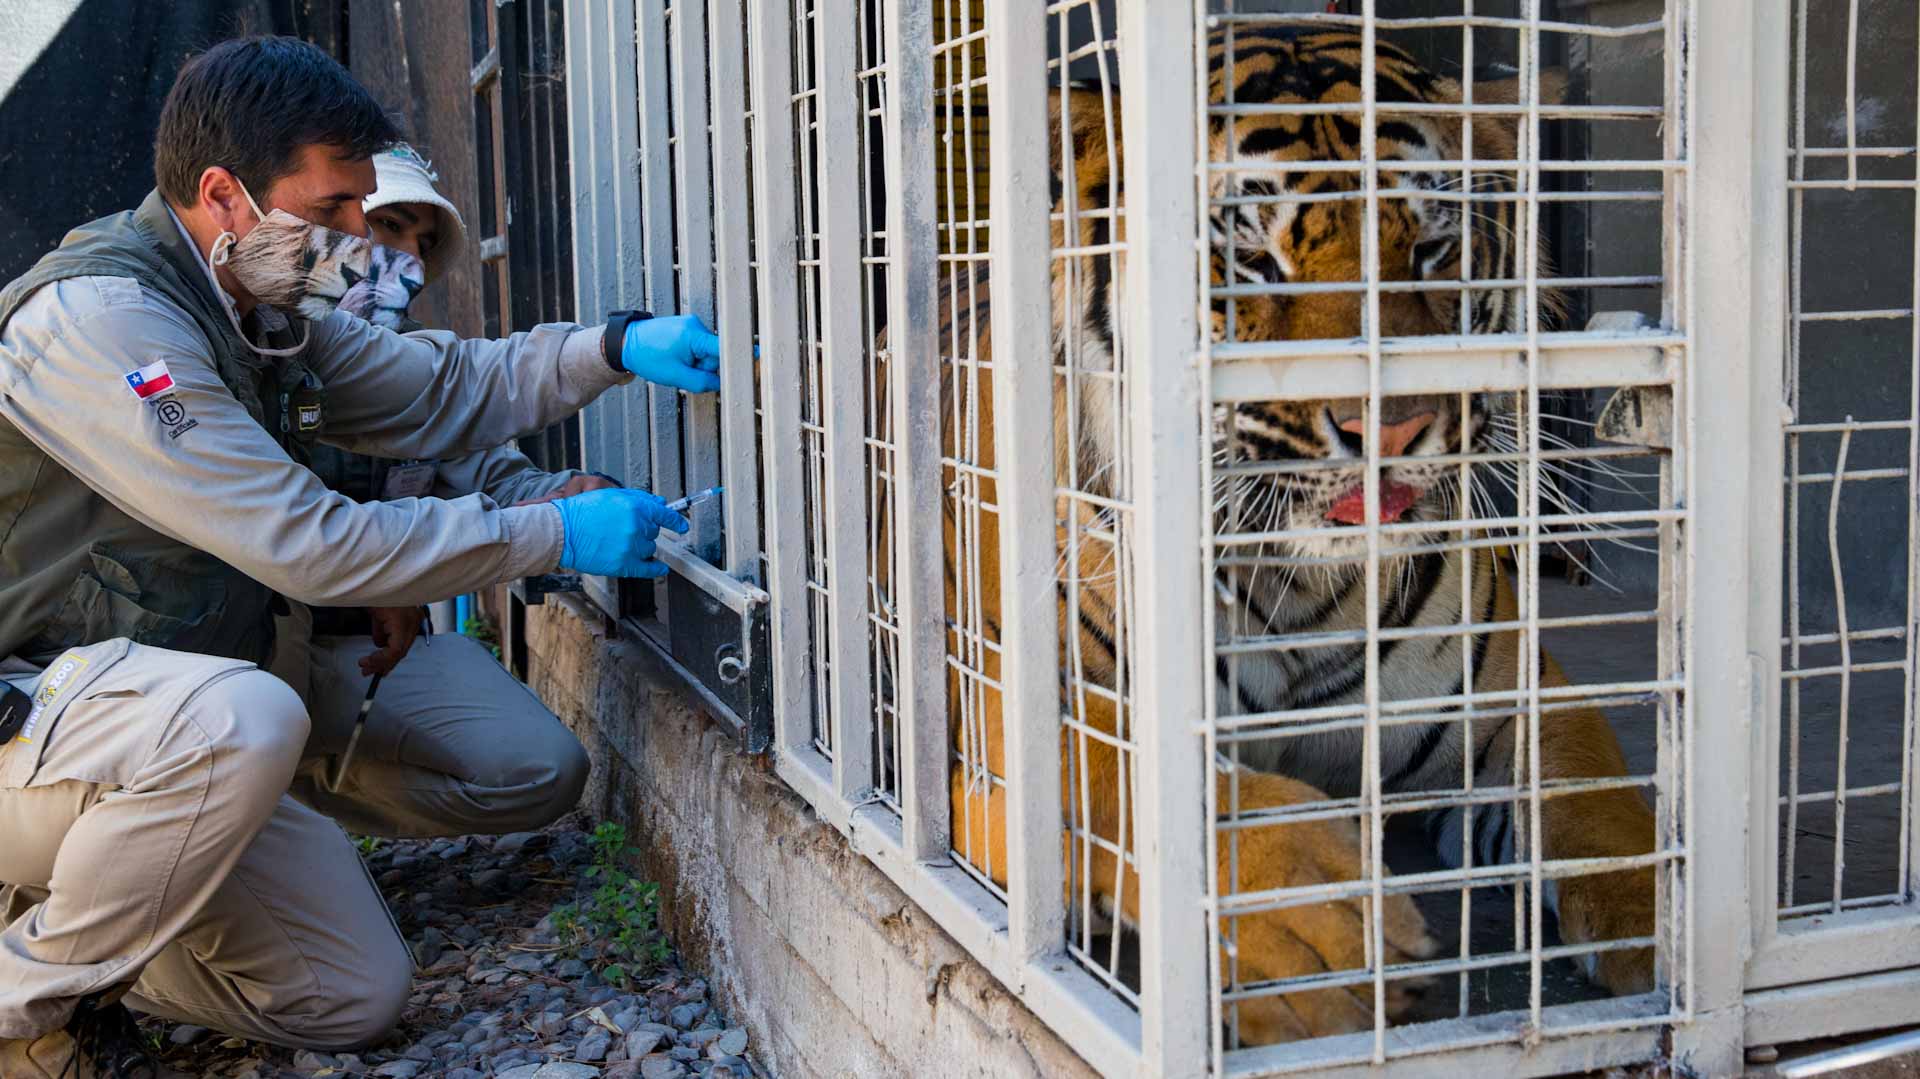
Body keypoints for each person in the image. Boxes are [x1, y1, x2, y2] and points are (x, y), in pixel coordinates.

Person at [0, 36, 726, 1079]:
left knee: (348, 991)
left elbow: (437, 393)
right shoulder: (107, 323)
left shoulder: (256, 305)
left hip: (173, 705)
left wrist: (610, 347)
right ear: (224, 194)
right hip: (37, 724)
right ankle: (25, 1000)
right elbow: (310, 544)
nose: (357, 241)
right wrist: (551, 534)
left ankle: (113, 905)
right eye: (335, 209)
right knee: (243, 720)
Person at [271, 142, 615, 840]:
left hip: (362, 655)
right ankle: (259, 819)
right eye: (389, 225)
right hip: (251, 648)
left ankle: (312, 803)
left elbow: (489, 471)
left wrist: (569, 499)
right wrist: (387, 565)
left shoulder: (416, 361)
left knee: (542, 767)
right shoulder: (262, 346)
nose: (410, 259)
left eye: (423, 242)